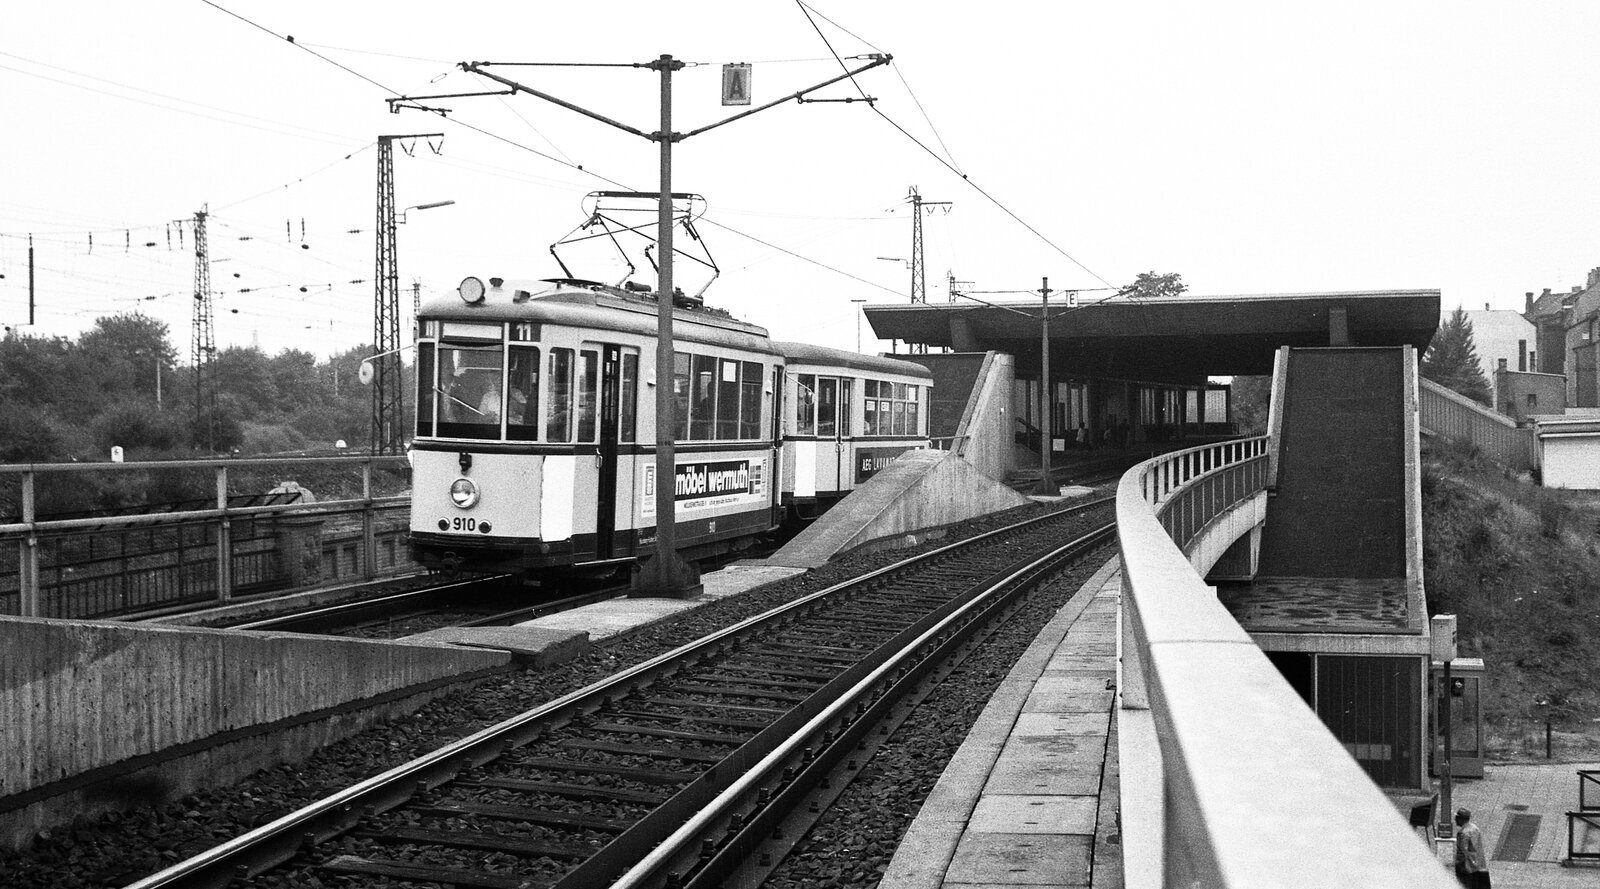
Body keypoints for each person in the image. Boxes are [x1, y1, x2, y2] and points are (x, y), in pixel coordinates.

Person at [1454, 807, 1490, 888]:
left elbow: (1462, 851)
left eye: (1456, 817)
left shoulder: (1463, 833)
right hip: (1478, 864)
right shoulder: (1474, 828)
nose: (1455, 819)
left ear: (1461, 819)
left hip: (1467, 867)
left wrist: (1457, 865)